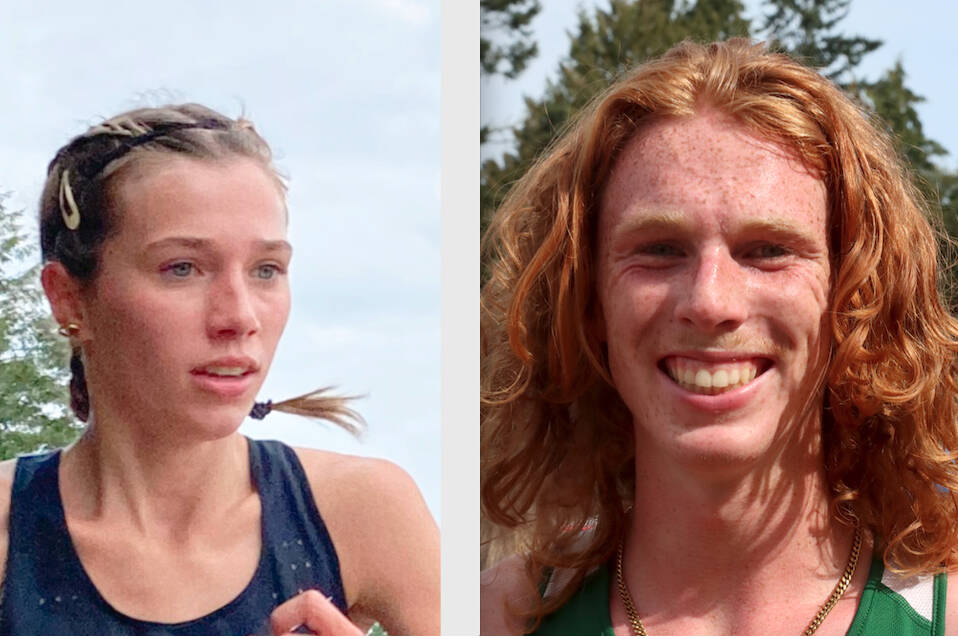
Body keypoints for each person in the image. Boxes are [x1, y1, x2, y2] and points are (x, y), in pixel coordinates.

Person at [480, 39, 958, 635]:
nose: (710, 302)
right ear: (589, 302)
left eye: (768, 251)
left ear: (856, 296)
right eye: (659, 250)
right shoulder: (498, 616)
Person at [0, 104, 440, 635]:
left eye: (266, 270)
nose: (239, 316)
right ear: (69, 299)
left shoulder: (366, 512)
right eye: (182, 268)